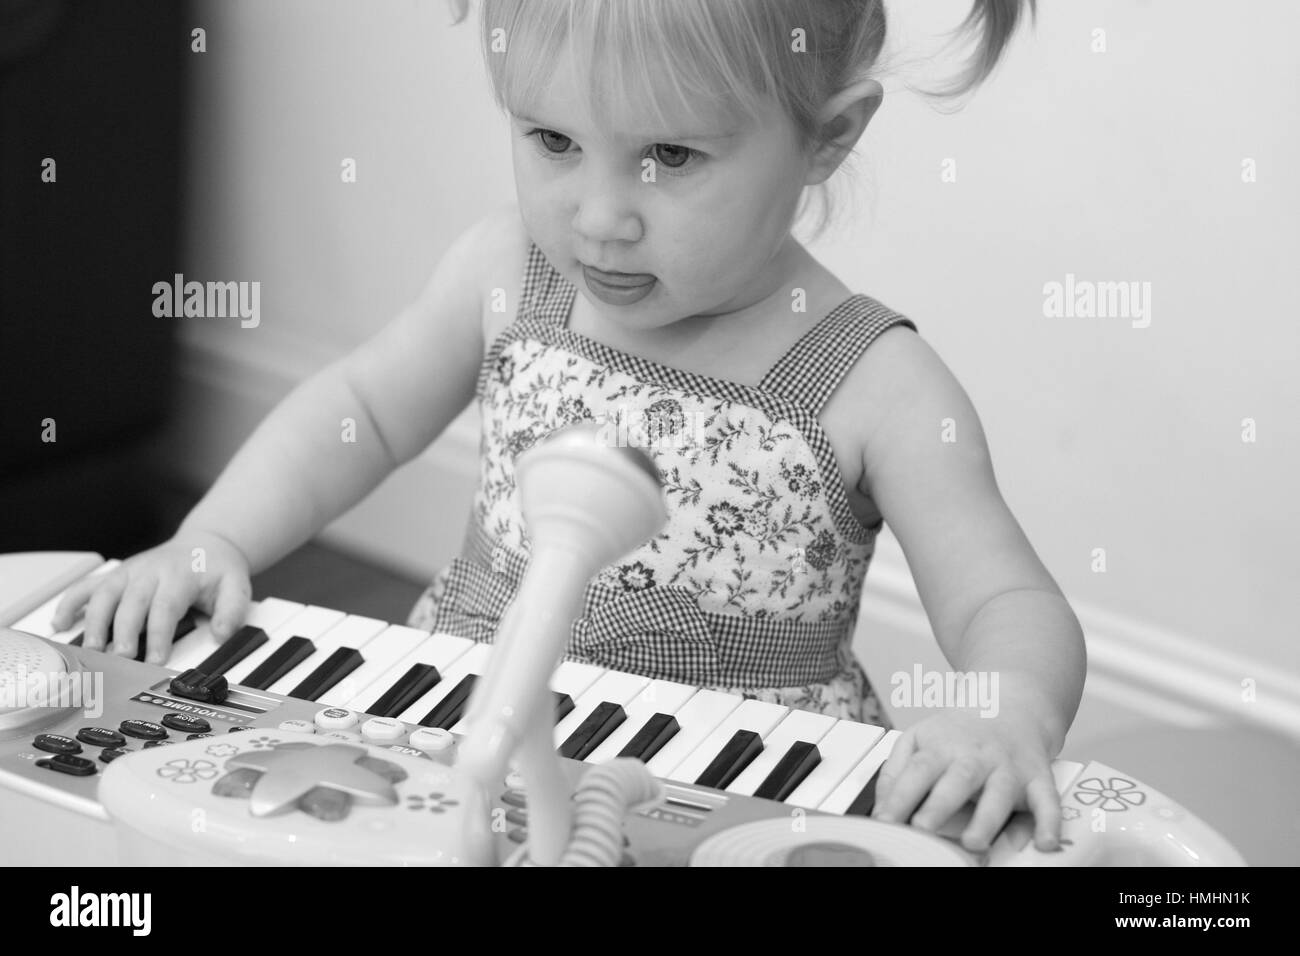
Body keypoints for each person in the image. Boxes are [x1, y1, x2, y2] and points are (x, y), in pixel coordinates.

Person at [54, 0, 1083, 853]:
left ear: (828, 135)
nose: (598, 215)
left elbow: (1002, 594)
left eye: (670, 156)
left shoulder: (875, 382)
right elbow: (358, 413)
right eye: (551, 139)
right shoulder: (509, 276)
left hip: (722, 796)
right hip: (458, 734)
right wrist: (215, 536)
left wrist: (1004, 713)